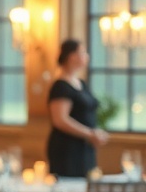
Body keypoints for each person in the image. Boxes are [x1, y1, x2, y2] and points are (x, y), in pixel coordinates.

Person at [47, 39, 109, 177]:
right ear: (71, 56)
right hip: (67, 148)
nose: (87, 56)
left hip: (84, 146)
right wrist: (90, 133)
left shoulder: (81, 83)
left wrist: (95, 133)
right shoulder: (60, 86)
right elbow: (60, 120)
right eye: (83, 52)